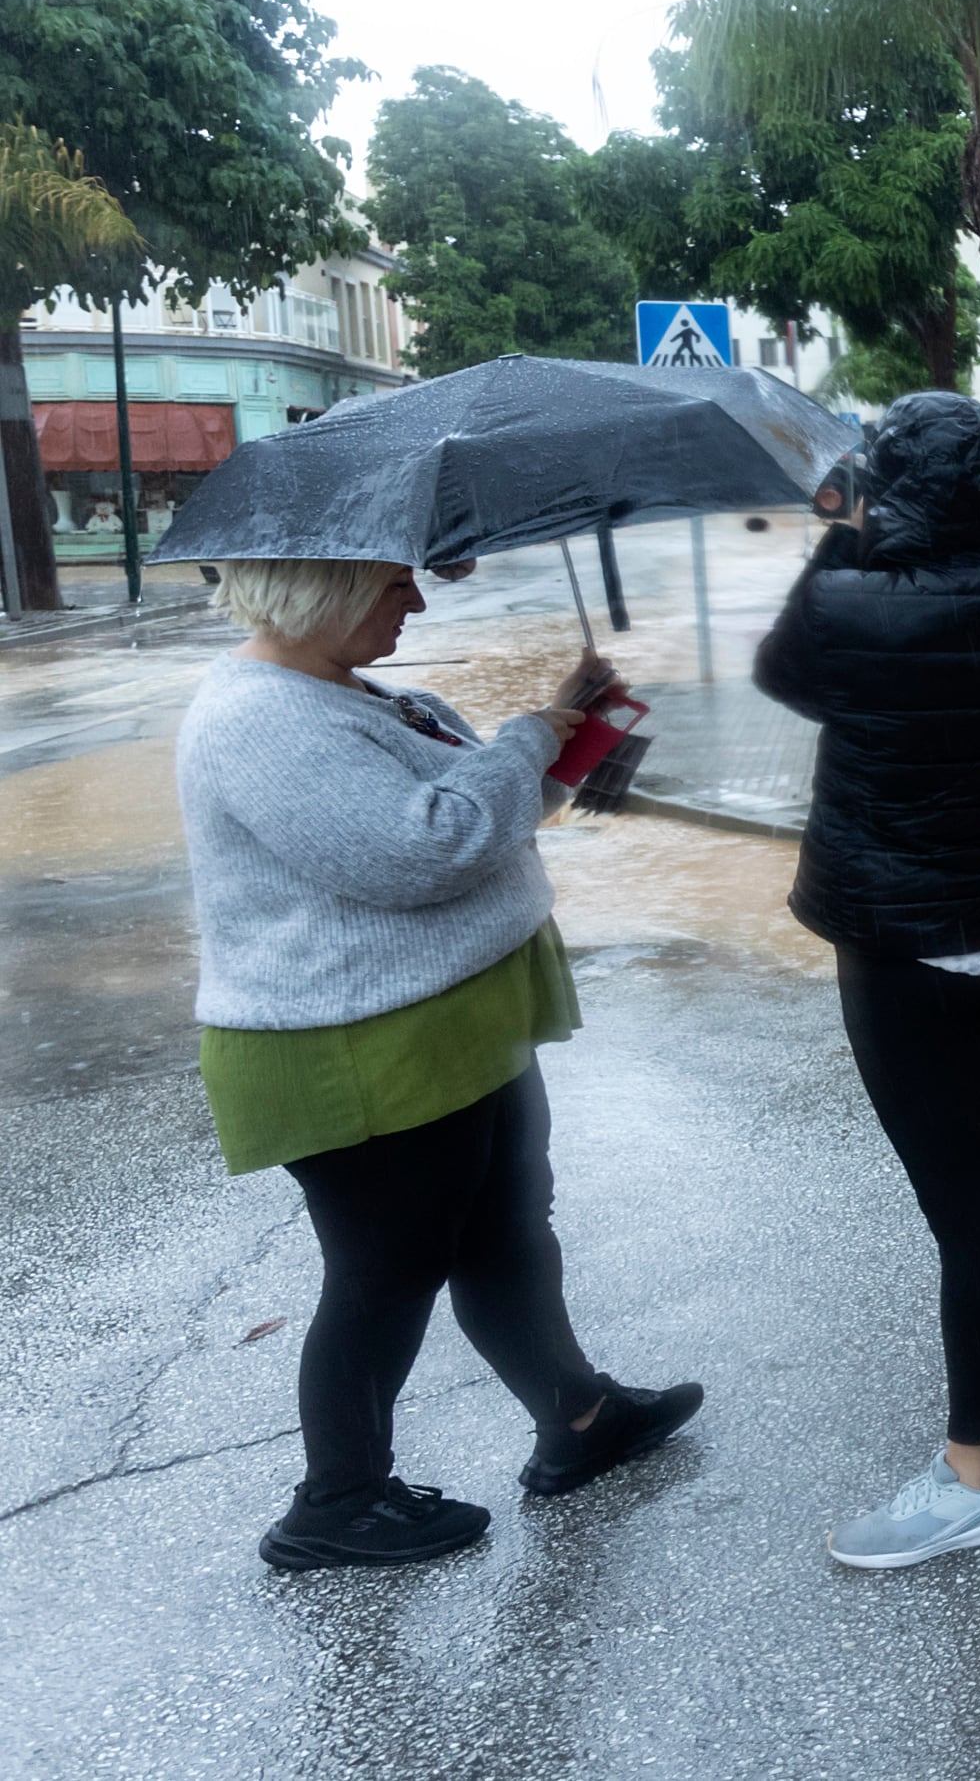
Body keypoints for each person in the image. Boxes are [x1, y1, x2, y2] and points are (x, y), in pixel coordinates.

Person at [175, 555, 702, 1572]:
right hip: (354, 1044)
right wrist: (523, 739)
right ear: (312, 590)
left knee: (505, 1228)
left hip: (452, 1022)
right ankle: (337, 1499)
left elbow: (497, 812)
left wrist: (571, 724)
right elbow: (425, 851)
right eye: (390, 585)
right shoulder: (261, 719)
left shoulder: (360, 694)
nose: (415, 602)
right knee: (388, 1268)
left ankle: (579, 1416)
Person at [754, 392, 980, 1571]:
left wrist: (845, 525)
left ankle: (977, 1477)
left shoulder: (841, 606)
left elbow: (781, 675)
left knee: (968, 1207)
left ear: (887, 488)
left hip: (905, 944)